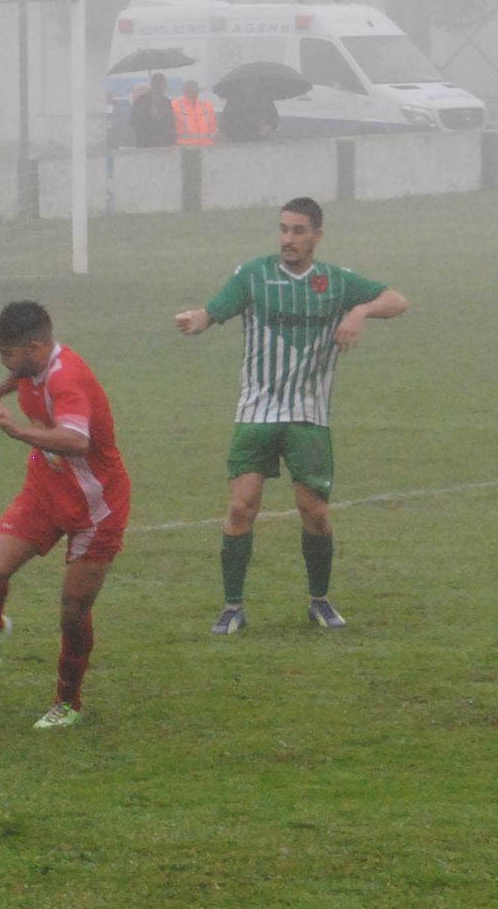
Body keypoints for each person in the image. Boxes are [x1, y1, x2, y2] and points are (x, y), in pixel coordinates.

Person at [174, 197, 409, 634]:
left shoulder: (336, 282)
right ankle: (232, 606)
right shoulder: (254, 274)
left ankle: (319, 600)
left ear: (317, 235)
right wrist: (197, 319)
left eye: (299, 231)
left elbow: (398, 300)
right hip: (256, 411)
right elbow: (214, 311)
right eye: (283, 229)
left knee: (315, 513)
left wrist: (360, 311)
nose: (289, 239)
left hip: (308, 414)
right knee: (242, 507)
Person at [0, 301, 132, 729]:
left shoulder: (66, 378)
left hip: (95, 506)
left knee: (72, 610)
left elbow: (75, 441)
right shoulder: (33, 365)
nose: (4, 361)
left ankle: (67, 702)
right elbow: (19, 375)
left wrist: (17, 431)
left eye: (8, 353)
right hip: (45, 490)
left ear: (36, 347)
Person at [129, 71, 177, 147]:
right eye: (158, 84)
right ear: (152, 85)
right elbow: (135, 122)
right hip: (147, 144)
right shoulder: (141, 101)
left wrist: (171, 140)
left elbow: (171, 123)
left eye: (163, 84)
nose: (162, 86)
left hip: (165, 144)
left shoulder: (167, 102)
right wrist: (150, 117)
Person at [173, 80, 217, 146]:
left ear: (198, 90)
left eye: (194, 89)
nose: (191, 90)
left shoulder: (207, 106)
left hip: (207, 147)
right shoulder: (174, 105)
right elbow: (170, 128)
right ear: (184, 90)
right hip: (184, 149)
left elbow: (213, 128)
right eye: (189, 90)